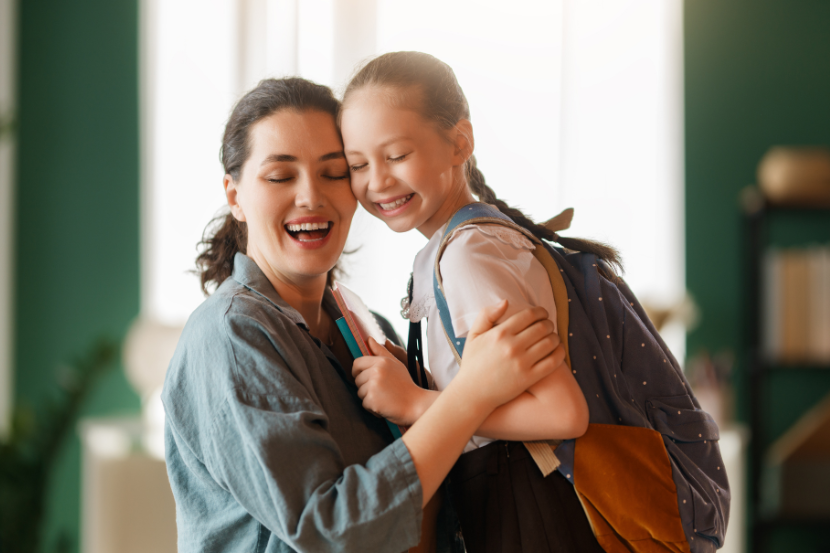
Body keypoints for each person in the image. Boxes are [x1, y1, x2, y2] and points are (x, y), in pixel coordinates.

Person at [340, 51, 729, 553]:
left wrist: (419, 404)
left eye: (395, 155)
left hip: (533, 514)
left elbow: (562, 413)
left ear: (460, 142)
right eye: (357, 165)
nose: (377, 181)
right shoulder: (469, 243)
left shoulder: (468, 255)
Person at [162, 77, 567, 553]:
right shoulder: (230, 335)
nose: (311, 196)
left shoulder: (371, 329)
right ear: (235, 196)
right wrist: (471, 394)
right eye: (280, 176)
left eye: (334, 172)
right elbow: (331, 530)